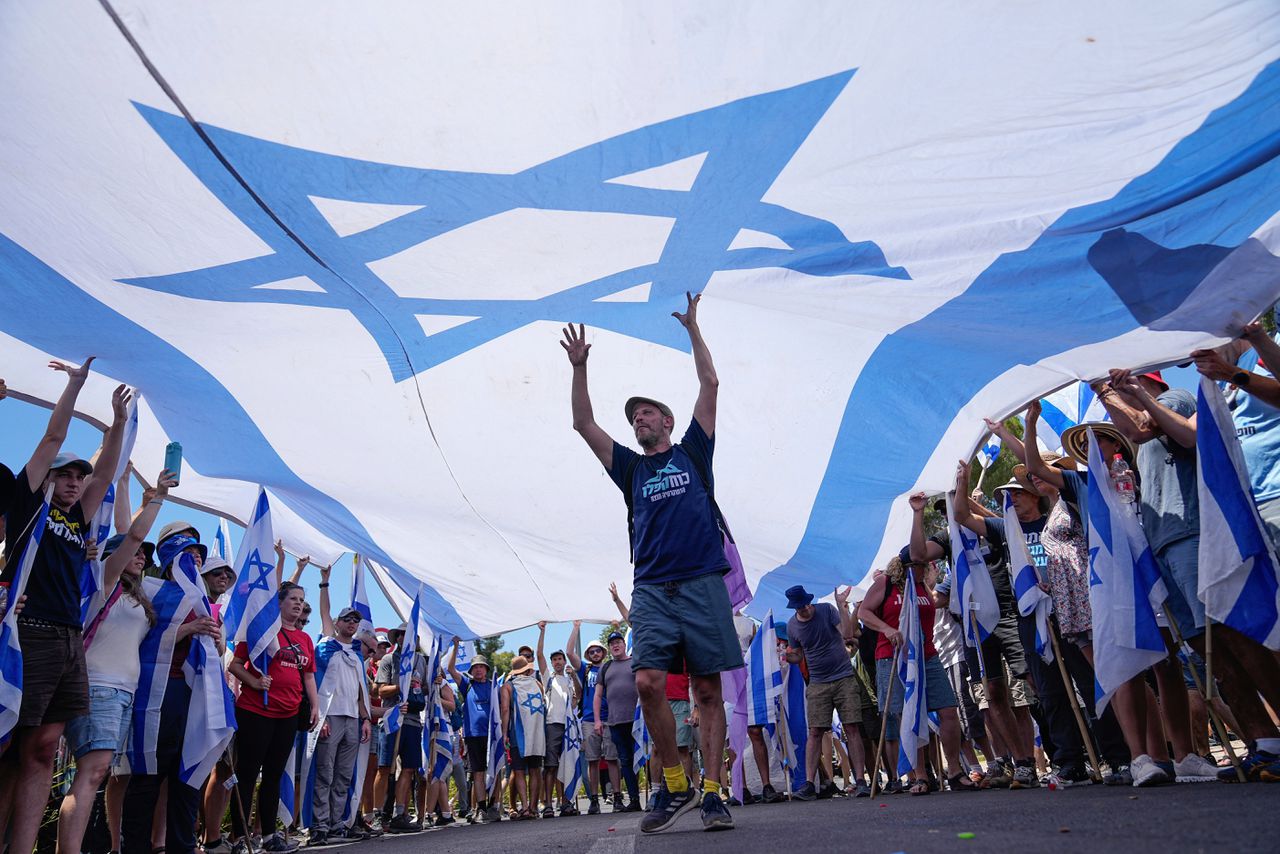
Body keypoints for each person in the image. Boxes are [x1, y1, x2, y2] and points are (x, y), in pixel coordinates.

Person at [561, 291, 739, 834]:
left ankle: (712, 794)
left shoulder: (692, 452)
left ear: (664, 420)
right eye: (633, 416)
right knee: (647, 684)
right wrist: (580, 367)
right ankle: (674, 783)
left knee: (708, 691)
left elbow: (710, 385)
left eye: (645, 413)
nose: (637, 419)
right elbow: (583, 422)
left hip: (704, 582)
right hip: (653, 588)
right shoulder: (629, 470)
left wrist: (693, 329)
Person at [0, 359, 131, 854]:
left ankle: (24, 848)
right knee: (11, 749)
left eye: (80, 476)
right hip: (28, 632)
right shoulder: (28, 503)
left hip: (68, 639)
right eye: (65, 475)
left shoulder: (80, 519)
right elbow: (52, 440)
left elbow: (109, 472)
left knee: (42, 751)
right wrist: (75, 387)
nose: (75, 482)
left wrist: (118, 424)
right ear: (47, 478)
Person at [57, 468, 174, 854]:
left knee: (98, 774)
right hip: (98, 687)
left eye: (143, 556)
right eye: (134, 554)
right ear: (113, 556)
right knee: (91, 774)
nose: (141, 556)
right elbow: (132, 533)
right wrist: (154, 496)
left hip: (123, 692)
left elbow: (133, 537)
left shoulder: (138, 596)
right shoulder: (103, 582)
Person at [121, 530, 230, 854]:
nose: (195, 561)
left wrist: (213, 637)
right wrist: (189, 629)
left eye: (198, 556)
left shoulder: (204, 600)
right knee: (149, 773)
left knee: (187, 775)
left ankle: (182, 845)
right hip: (159, 693)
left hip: (194, 694)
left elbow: (219, 648)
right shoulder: (152, 591)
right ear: (171, 563)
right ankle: (135, 847)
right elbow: (146, 637)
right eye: (188, 556)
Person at [857, 558, 971, 794]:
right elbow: (864, 611)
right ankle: (919, 775)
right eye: (923, 565)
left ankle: (955, 771)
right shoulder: (885, 584)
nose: (927, 568)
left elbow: (936, 604)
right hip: (893, 657)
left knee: (948, 710)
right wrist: (886, 629)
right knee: (908, 715)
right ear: (908, 566)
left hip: (927, 655)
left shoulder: (922, 586)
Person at [227, 583, 318, 852]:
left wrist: (314, 705)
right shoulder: (261, 630)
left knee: (273, 776)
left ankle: (269, 836)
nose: (299, 603)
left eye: (302, 599)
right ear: (278, 602)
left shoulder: (305, 639)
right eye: (293, 598)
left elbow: (309, 675)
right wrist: (254, 682)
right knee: (247, 774)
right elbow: (234, 664)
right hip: (257, 712)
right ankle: (240, 839)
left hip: (288, 714)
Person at [784, 585, 871, 800]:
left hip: (843, 677)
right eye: (800, 607)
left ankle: (860, 780)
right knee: (815, 731)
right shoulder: (792, 626)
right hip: (817, 682)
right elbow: (797, 655)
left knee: (851, 727)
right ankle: (808, 784)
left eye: (806, 604)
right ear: (794, 607)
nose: (805, 609)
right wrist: (787, 657)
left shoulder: (826, 610)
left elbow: (847, 634)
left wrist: (842, 606)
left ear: (809, 601)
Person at [308, 564, 375, 845]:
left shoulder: (357, 653)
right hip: (330, 717)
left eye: (354, 621)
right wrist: (325, 583)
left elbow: (361, 691)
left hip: (352, 720)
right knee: (324, 773)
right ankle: (319, 825)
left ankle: (337, 824)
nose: (351, 624)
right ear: (337, 622)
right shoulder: (326, 642)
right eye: (347, 619)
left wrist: (367, 719)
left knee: (344, 775)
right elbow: (325, 612)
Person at [375, 628, 427, 832]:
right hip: (392, 719)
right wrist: (401, 686)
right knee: (384, 767)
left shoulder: (420, 661)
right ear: (397, 638)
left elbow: (422, 688)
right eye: (404, 634)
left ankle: (400, 813)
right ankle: (378, 813)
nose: (408, 639)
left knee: (408, 768)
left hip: (413, 720)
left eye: (413, 635)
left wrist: (430, 684)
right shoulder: (389, 659)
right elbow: (381, 690)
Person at [566, 623, 618, 815]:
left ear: (604, 653)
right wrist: (576, 628)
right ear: (588, 655)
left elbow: (621, 648)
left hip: (611, 717)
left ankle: (617, 797)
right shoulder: (585, 670)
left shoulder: (611, 667)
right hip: (589, 719)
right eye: (591, 651)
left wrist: (617, 628)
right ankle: (594, 800)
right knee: (593, 760)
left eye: (598, 650)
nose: (595, 653)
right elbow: (569, 653)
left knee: (613, 759)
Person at [447, 640, 497, 822]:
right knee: (478, 772)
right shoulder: (466, 684)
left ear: (486, 669)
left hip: (492, 736)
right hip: (473, 736)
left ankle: (494, 806)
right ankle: (481, 808)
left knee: (495, 770)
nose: (478, 670)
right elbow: (452, 669)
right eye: (475, 667)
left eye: (481, 667)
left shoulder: (494, 685)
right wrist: (455, 647)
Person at [594, 631, 642, 813]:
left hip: (637, 721)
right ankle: (635, 800)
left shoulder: (635, 663)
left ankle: (655, 795)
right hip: (615, 722)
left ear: (624, 644)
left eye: (618, 642)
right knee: (625, 761)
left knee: (643, 758)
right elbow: (598, 695)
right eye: (612, 643)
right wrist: (598, 720)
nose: (615, 645)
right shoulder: (605, 668)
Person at [536, 621, 580, 816]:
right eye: (554, 659)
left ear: (565, 660)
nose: (558, 662)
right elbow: (539, 656)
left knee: (567, 764)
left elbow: (579, 696)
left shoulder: (570, 679)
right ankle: (547, 804)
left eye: (560, 658)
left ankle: (566, 803)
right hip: (553, 725)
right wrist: (542, 632)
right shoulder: (548, 678)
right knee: (551, 766)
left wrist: (575, 676)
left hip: (569, 727)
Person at [501, 655, 548, 820]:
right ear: (527, 669)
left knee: (519, 771)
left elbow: (505, 710)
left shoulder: (508, 686)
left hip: (518, 735)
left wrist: (504, 733)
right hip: (537, 734)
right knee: (535, 770)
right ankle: (534, 808)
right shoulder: (537, 684)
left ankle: (526, 807)